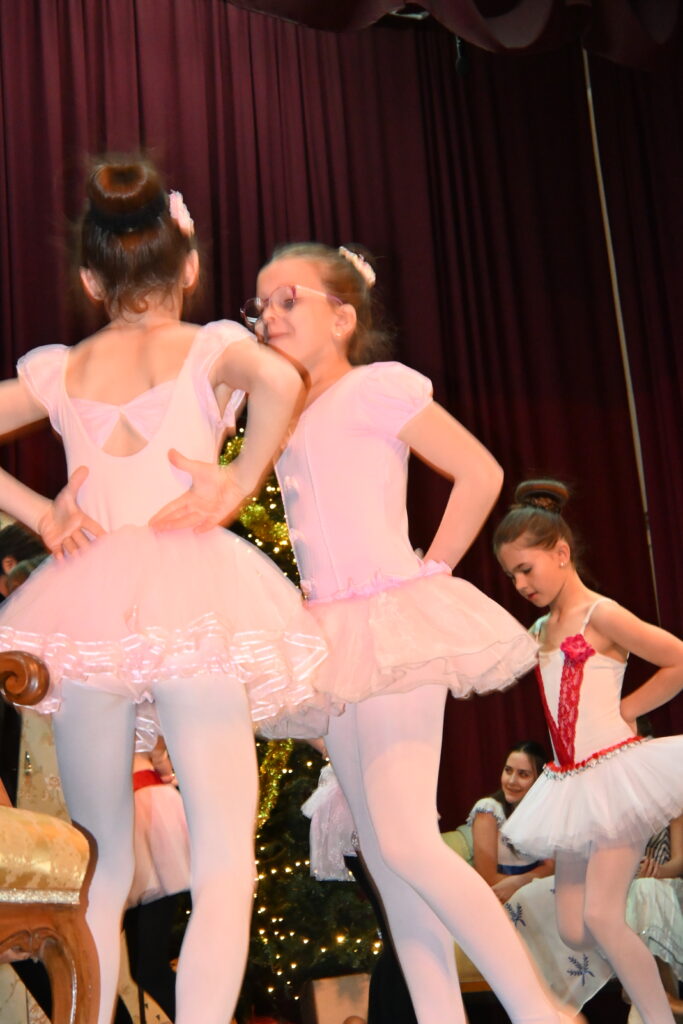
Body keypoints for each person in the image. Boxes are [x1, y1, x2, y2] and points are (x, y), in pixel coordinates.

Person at [154, 243, 586, 1024]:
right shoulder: (279, 412)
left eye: (290, 298)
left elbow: (479, 472)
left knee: (408, 840)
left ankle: (538, 1010)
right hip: (330, 636)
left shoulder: (376, 387)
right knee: (387, 859)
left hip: (391, 626)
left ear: (343, 317)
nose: (270, 315)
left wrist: (431, 573)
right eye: (261, 304)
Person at [0, 156, 329, 1024]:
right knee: (223, 859)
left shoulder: (64, 368)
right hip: (194, 601)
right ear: (188, 267)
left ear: (89, 279)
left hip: (88, 610)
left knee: (101, 867)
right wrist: (236, 481)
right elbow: (283, 380)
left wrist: (42, 514)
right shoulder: (209, 346)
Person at [494, 479, 683, 1024]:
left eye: (526, 569)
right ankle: (643, 975)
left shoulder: (601, 614)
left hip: (617, 780)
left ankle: (658, 1016)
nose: (520, 584)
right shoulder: (538, 629)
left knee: (600, 916)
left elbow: (676, 659)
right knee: (575, 928)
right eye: (511, 576)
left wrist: (628, 709)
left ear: (561, 552)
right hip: (571, 785)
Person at [468, 740, 554, 904]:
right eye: (508, 771)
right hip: (498, 901)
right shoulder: (488, 810)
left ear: (539, 780)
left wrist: (520, 881)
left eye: (523, 774)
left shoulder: (544, 812)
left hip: (534, 895)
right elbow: (488, 878)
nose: (512, 781)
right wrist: (532, 879)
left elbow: (551, 867)